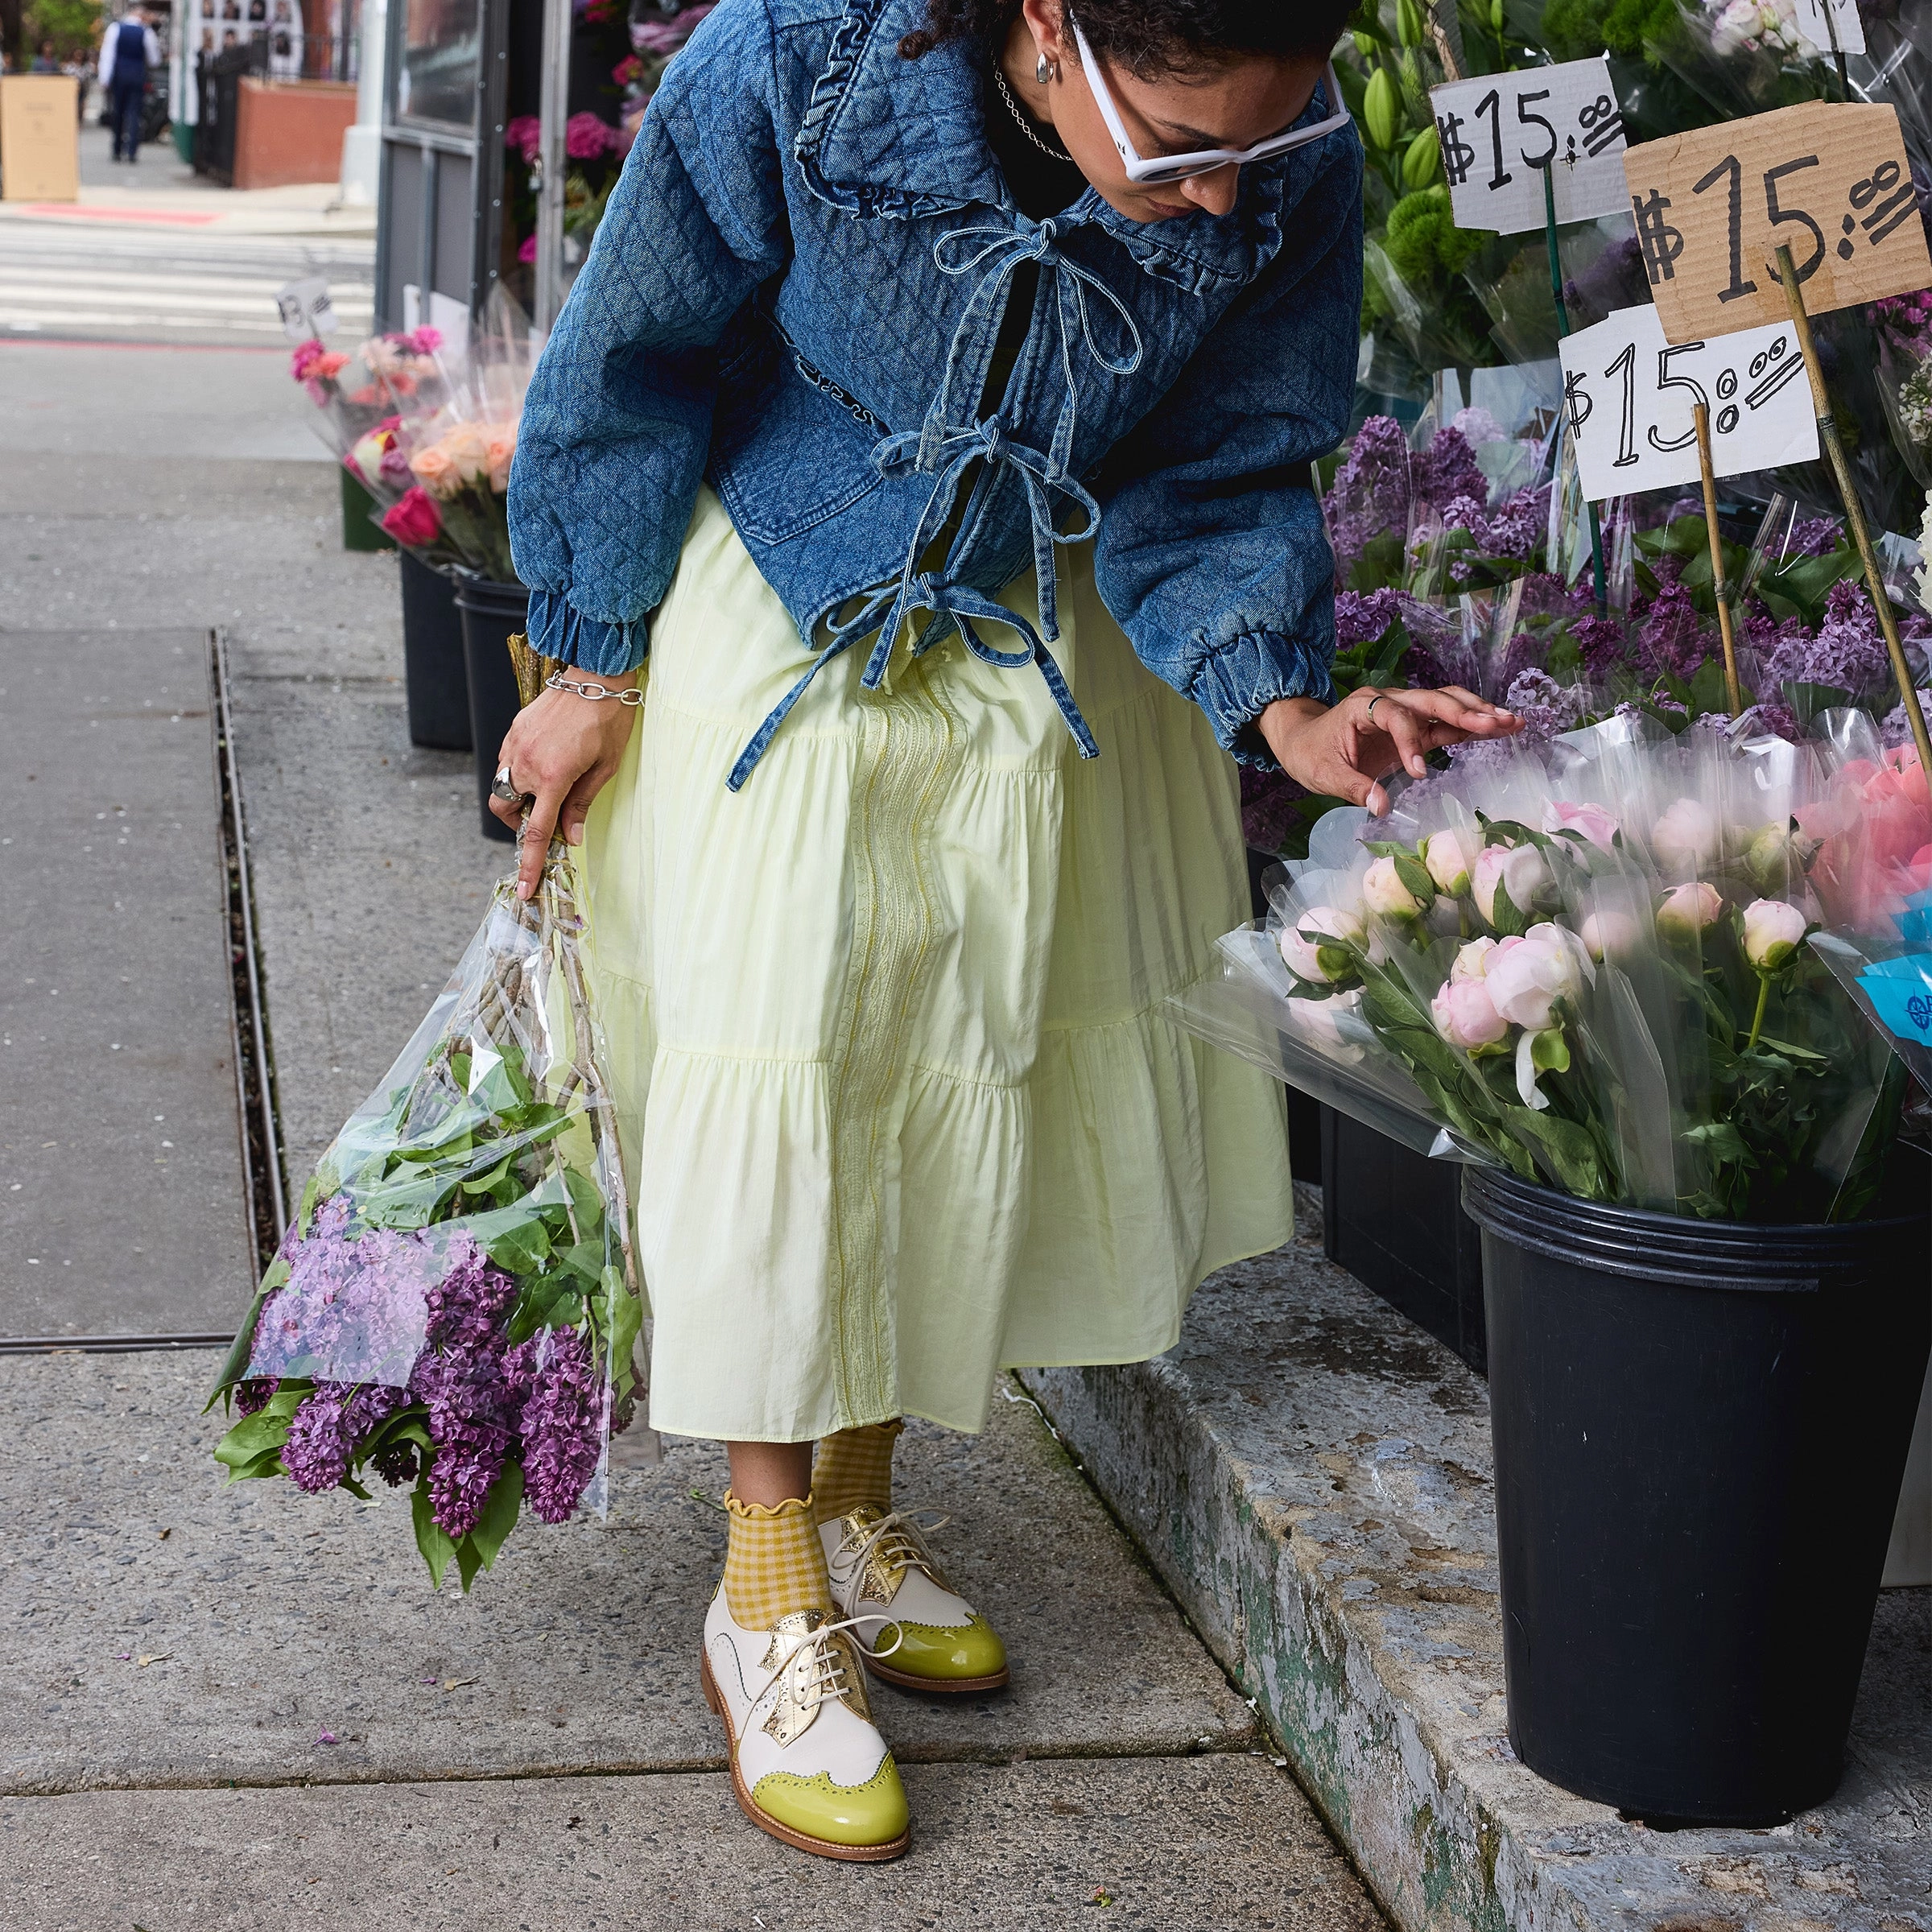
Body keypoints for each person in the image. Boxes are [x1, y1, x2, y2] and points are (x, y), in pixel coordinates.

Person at [504, 0, 1520, 1866]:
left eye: (1260, 149)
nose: (1222, 200)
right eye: (1185, 152)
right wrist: (584, 658)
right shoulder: (794, 63)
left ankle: (859, 1500)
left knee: (970, 1062)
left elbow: (1222, 462)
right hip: (801, 590)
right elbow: (632, 352)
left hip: (1061, 639)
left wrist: (1288, 707)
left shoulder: (1285, 159)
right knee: (800, 1061)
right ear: (1049, 26)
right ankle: (764, 1581)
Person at [98, 5, 159, 163]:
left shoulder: (115, 29)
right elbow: (154, 59)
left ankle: (117, 149)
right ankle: (132, 151)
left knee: (118, 112)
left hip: (119, 76)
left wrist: (104, 78)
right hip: (137, 76)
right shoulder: (146, 32)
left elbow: (108, 55)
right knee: (134, 114)